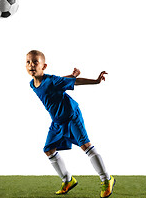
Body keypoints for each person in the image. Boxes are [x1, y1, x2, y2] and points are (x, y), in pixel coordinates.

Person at [26, 50, 116, 198]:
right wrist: (72, 75)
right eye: (28, 62)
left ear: (44, 66)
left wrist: (96, 81)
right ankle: (68, 180)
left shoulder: (51, 81)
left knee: (86, 146)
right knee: (49, 150)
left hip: (72, 116)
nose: (31, 65)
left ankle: (107, 179)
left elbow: (73, 82)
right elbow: (60, 80)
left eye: (35, 62)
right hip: (57, 121)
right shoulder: (32, 84)